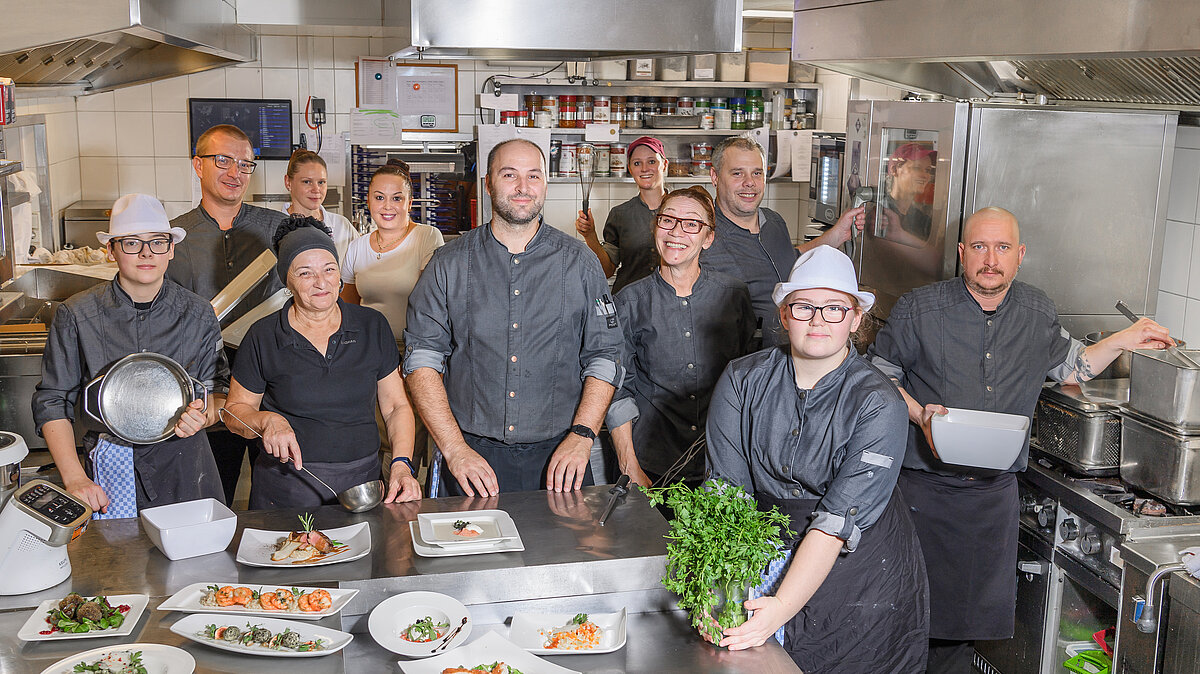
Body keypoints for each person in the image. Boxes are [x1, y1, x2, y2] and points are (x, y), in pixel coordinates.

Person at [867, 206, 1172, 673]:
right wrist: (919, 415)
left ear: (1020, 255)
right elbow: (877, 375)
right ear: (962, 252)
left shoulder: (1037, 309)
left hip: (992, 500)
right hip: (922, 494)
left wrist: (1124, 339)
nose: (992, 259)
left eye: (1003, 247)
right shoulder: (919, 308)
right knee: (906, 623)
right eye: (981, 247)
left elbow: (1070, 367)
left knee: (960, 635)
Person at [705, 245, 928, 672]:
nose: (818, 321)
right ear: (785, 314)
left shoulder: (879, 402)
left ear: (856, 318)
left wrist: (781, 606)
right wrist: (721, 596)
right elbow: (725, 496)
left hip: (859, 571)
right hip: (764, 547)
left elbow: (835, 524)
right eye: (804, 306)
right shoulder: (741, 380)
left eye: (834, 309)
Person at [405, 138, 624, 497]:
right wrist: (455, 449)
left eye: (533, 176)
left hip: (562, 456)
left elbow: (606, 355)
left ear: (545, 185)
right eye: (510, 174)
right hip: (469, 458)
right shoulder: (448, 264)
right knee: (468, 553)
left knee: (564, 553)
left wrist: (583, 436)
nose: (523, 187)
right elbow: (422, 361)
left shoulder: (581, 263)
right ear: (488, 183)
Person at [32, 194, 226, 516]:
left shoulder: (198, 313)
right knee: (121, 560)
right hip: (111, 469)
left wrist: (203, 416)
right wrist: (75, 478)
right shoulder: (77, 314)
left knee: (196, 561)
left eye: (158, 242)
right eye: (132, 243)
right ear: (111, 250)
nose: (147, 253)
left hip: (186, 467)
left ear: (171, 249)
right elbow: (53, 400)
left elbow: (216, 391)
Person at [222, 217, 421, 509]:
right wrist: (266, 420)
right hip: (287, 487)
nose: (321, 283)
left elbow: (395, 406)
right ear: (286, 280)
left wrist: (402, 463)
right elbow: (234, 413)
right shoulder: (263, 336)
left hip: (362, 483)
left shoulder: (372, 326)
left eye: (329, 269)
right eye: (305, 273)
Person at [167, 123, 289, 506]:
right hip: (204, 383)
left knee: (280, 491)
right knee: (210, 491)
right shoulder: (173, 238)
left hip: (274, 381)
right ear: (197, 165)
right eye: (223, 160)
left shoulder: (277, 228)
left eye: (245, 164)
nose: (235, 172)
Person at [605, 186, 755, 488]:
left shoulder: (733, 295)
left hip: (721, 459)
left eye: (691, 224)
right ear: (655, 227)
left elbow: (749, 381)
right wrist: (629, 464)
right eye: (667, 220)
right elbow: (617, 389)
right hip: (651, 460)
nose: (676, 232)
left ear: (708, 237)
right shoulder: (629, 301)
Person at [700, 136, 866, 348]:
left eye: (757, 173)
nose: (749, 182)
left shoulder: (774, 221)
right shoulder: (704, 234)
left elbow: (790, 259)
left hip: (791, 356)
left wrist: (838, 235)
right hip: (743, 362)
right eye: (737, 173)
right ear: (715, 177)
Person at [340, 159, 444, 342]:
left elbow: (433, 305)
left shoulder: (426, 237)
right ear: (369, 202)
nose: (387, 206)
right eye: (379, 197)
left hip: (414, 351)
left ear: (409, 203)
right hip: (367, 350)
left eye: (397, 198)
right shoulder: (357, 247)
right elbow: (348, 310)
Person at [574, 136, 668, 294]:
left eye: (652, 161)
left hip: (672, 303)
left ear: (664, 164)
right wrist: (590, 235)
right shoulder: (620, 214)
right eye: (637, 163)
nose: (644, 169)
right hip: (629, 306)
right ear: (630, 169)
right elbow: (606, 271)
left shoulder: (683, 210)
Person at [280, 149, 359, 261]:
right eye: (307, 182)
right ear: (288, 182)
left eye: (321, 182)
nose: (316, 190)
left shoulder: (343, 227)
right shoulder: (273, 228)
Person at [878, 142, 935, 241]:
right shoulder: (880, 213)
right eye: (917, 168)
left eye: (927, 170)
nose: (925, 176)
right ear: (894, 170)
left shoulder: (922, 220)